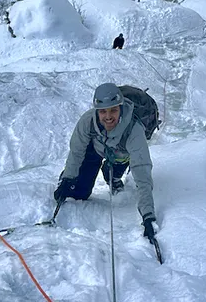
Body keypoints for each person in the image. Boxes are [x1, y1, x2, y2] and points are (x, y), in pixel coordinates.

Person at [54, 83, 157, 239]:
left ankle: (113, 177)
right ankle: (80, 179)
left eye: (113, 110)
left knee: (112, 171)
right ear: (97, 111)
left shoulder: (134, 130)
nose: (108, 116)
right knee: (80, 193)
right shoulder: (87, 121)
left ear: (121, 108)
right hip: (95, 149)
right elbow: (76, 152)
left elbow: (142, 172)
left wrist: (148, 216)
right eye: (103, 111)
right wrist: (68, 179)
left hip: (120, 154)